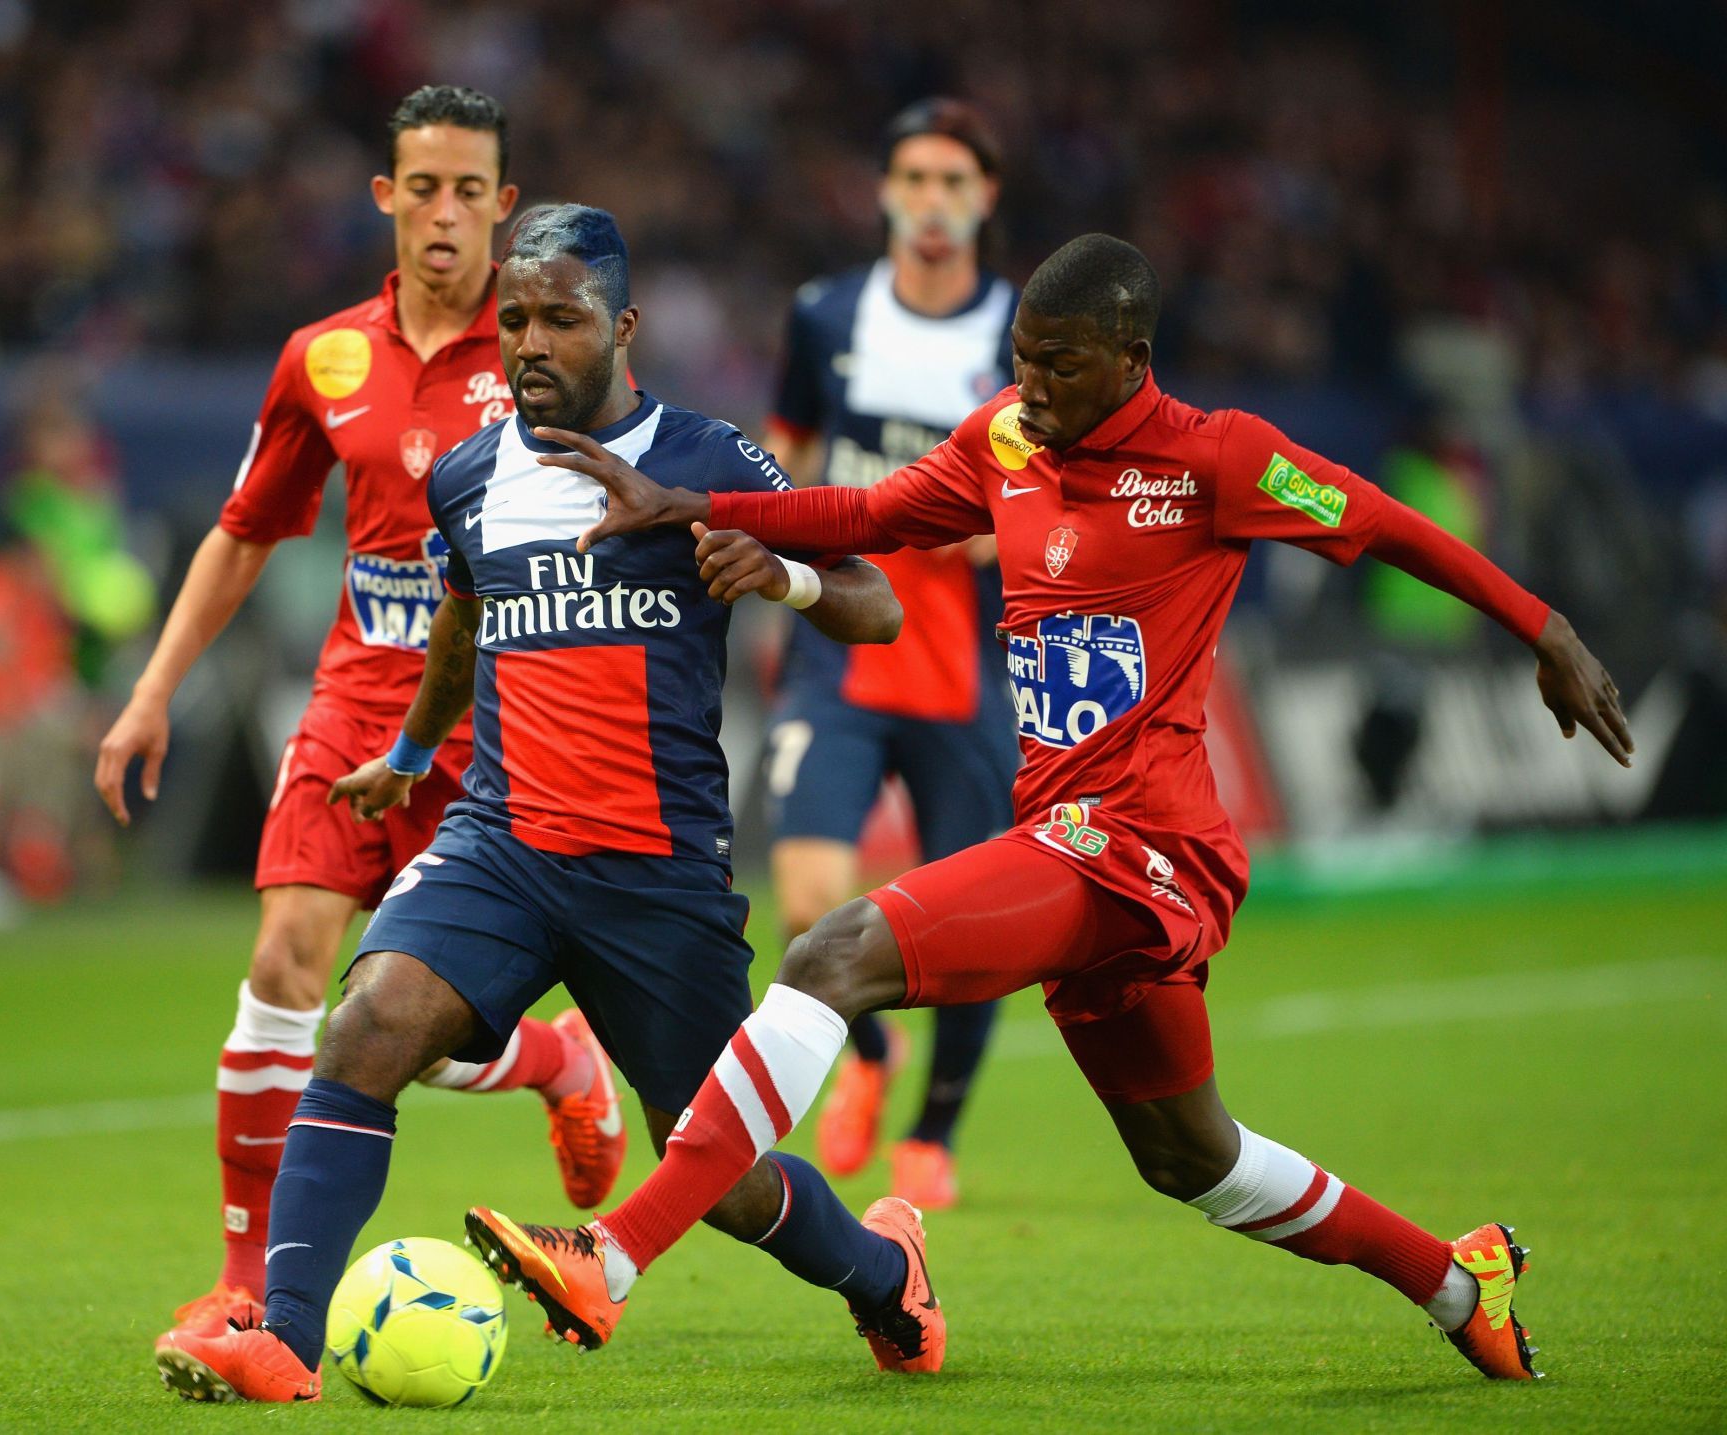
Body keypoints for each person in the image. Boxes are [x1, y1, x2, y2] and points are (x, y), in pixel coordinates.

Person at [464, 234, 1636, 1382]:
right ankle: (1455, 1281)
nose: (1030, 384)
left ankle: (611, 1256)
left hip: (1142, 844)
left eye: (1059, 362)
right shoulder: (1005, 440)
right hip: (1068, 840)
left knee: (833, 952)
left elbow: (1386, 522)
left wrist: (1546, 629)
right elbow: (867, 517)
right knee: (1193, 1158)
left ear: (1132, 356)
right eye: (1022, 357)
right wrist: (689, 503)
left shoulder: (1219, 459)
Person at [151, 204, 908, 1404]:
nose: (531, 343)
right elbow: (460, 623)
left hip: (656, 873)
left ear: (624, 325)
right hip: (500, 844)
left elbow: (878, 605)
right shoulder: (468, 477)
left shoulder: (709, 459)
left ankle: (883, 1272)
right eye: (515, 320)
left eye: (563, 318)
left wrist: (781, 571)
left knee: (721, 1174)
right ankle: (283, 1336)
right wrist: (408, 750)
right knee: (364, 1028)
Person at [94, 86, 627, 1344]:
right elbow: (244, 532)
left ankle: (557, 1061)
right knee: (285, 963)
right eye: (421, 188)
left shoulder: (549, 352)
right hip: (353, 704)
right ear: (386, 199)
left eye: (468, 191)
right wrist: (153, 689)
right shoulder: (323, 357)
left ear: (505, 206)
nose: (443, 214)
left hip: (501, 722)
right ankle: (242, 1282)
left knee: (408, 1032)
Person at [762, 99, 1019, 1208]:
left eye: (954, 181)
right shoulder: (825, 317)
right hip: (840, 635)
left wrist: (995, 532)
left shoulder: (1022, 334)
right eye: (913, 177)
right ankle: (866, 1057)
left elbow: (1073, 493)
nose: (932, 202)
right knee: (809, 884)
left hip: (968, 661)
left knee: (975, 916)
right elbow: (780, 448)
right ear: (883, 192)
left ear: (985, 201)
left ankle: (937, 1132)